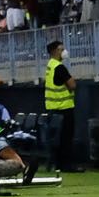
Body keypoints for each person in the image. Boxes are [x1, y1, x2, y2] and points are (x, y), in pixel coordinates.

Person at [42, 39, 78, 170]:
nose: (64, 52)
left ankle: (57, 164)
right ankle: (66, 165)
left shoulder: (50, 65)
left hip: (53, 109)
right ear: (54, 51)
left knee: (56, 139)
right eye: (61, 49)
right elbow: (72, 85)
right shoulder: (59, 67)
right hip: (64, 108)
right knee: (66, 139)